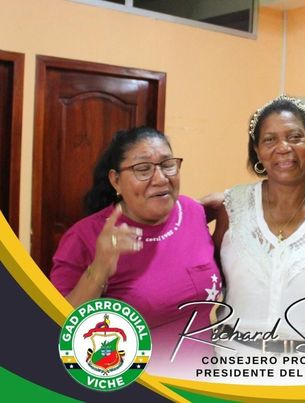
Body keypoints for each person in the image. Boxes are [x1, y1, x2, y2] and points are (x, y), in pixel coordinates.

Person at [50, 126, 222, 378]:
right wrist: (99, 269)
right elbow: (59, 326)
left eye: (168, 165)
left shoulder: (193, 212)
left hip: (203, 377)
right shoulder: (84, 237)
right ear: (115, 180)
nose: (161, 178)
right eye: (143, 169)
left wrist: (228, 204)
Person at [210, 95, 305, 384]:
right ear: (257, 151)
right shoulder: (232, 206)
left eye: (295, 137)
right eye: (269, 140)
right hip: (234, 368)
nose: (283, 148)